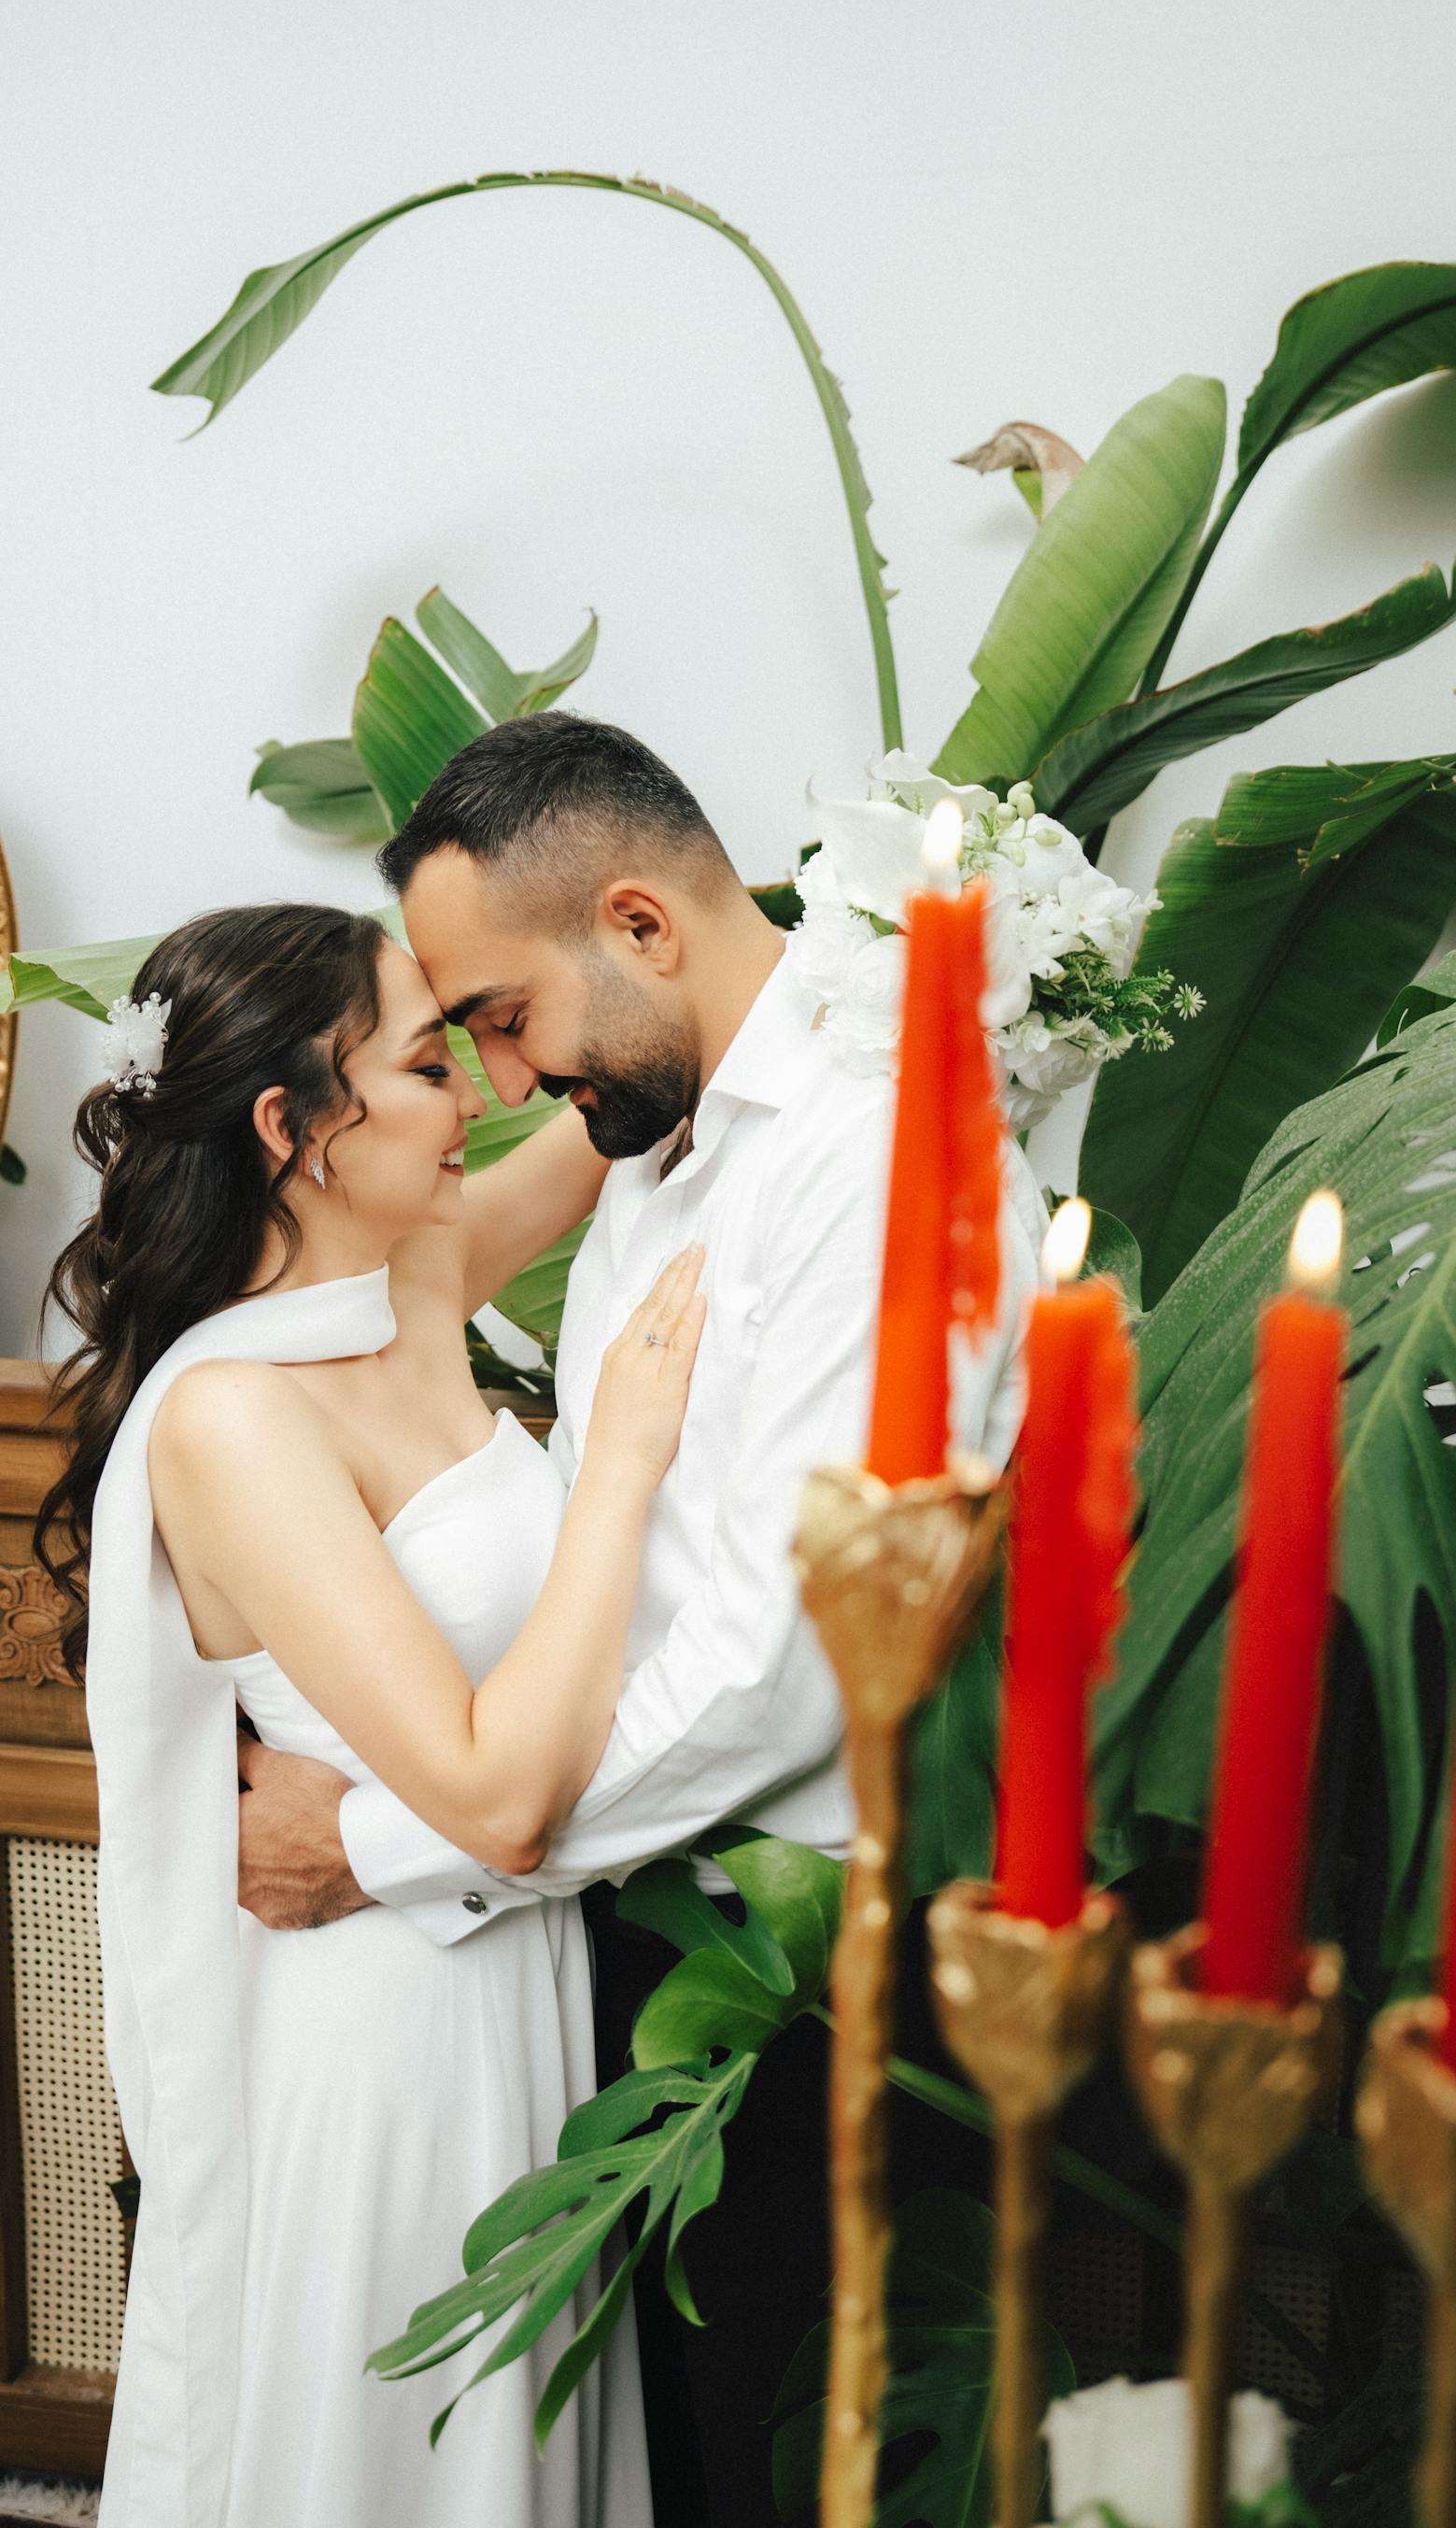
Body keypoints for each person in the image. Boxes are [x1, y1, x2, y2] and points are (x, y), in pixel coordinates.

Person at [236, 714, 1045, 2527]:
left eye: (506, 1018)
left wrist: (387, 1845)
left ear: (642, 926)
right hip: (628, 1919)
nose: (505, 1083)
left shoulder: (873, 1142)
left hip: (811, 1967)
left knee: (776, 2461)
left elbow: (786, 1655)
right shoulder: (659, 1130)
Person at [41, 899, 688, 2528]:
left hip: (514, 1983)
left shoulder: (417, 1277)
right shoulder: (233, 1424)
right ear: (295, 1128)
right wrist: (614, 1465)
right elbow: (494, 1794)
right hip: (376, 2036)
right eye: (422, 1063)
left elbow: (631, 1109)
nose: (478, 1089)